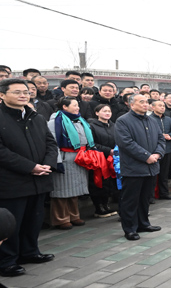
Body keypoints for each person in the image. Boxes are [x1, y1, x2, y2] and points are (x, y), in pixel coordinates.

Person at [0, 79, 58, 277]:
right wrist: (30, 167)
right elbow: (2, 152)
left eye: (25, 92)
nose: (23, 95)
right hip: (12, 181)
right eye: (17, 92)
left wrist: (48, 164)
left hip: (39, 179)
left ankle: (30, 252)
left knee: (34, 219)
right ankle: (7, 261)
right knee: (11, 223)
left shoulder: (36, 117)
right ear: (2, 95)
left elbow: (51, 143)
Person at [114, 94, 165, 241]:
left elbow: (161, 139)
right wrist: (146, 156)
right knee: (130, 200)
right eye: (141, 102)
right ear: (131, 104)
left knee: (145, 198)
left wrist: (157, 154)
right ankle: (129, 228)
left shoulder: (152, 120)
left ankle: (143, 223)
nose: (145, 104)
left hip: (152, 166)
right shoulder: (123, 121)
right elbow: (126, 143)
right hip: (133, 167)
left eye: (146, 102)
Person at [47, 97, 94, 229]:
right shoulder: (54, 121)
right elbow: (52, 143)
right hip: (65, 157)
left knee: (75, 189)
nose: (77, 107)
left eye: (78, 105)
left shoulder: (79, 120)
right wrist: (57, 161)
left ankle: (74, 215)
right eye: (74, 105)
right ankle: (60, 219)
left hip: (80, 158)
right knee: (61, 191)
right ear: (64, 107)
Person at [87, 104, 119, 217]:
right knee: (98, 182)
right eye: (104, 111)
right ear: (97, 113)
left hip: (113, 158)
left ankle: (106, 205)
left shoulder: (114, 126)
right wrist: (107, 150)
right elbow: (92, 144)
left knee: (110, 183)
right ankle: (98, 207)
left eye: (109, 111)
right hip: (99, 158)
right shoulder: (92, 126)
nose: (107, 113)